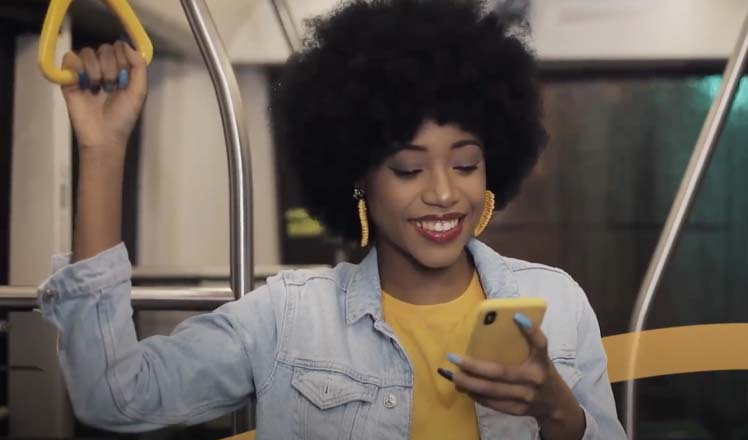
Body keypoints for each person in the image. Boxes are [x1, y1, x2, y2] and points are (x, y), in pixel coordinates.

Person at [37, 0, 626, 438]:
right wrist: (103, 149)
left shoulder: (558, 303)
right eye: (407, 169)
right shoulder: (290, 316)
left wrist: (561, 414)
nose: (445, 193)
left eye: (466, 163)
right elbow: (115, 395)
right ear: (356, 176)